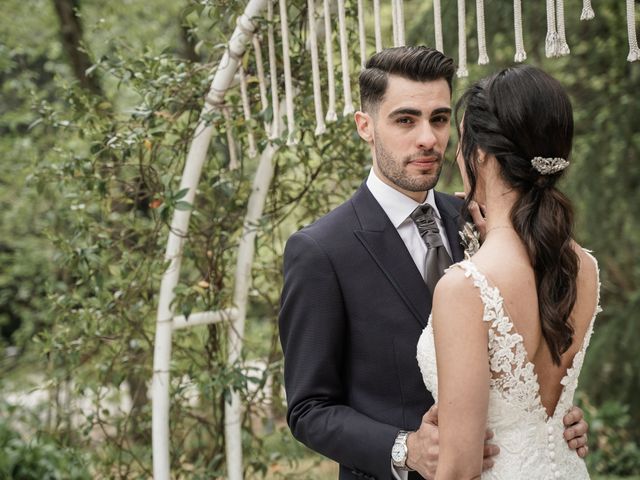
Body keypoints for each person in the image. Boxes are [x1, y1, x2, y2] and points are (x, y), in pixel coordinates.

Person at [279, 47, 588, 480]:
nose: (428, 138)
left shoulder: (482, 221)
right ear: (365, 126)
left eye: (440, 119)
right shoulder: (320, 250)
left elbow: (527, 347)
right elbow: (309, 409)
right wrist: (403, 449)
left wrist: (552, 417)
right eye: (406, 120)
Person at [416, 64, 599, 479]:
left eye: (463, 141)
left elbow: (459, 470)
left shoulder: (466, 287)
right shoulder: (584, 266)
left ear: (480, 153)